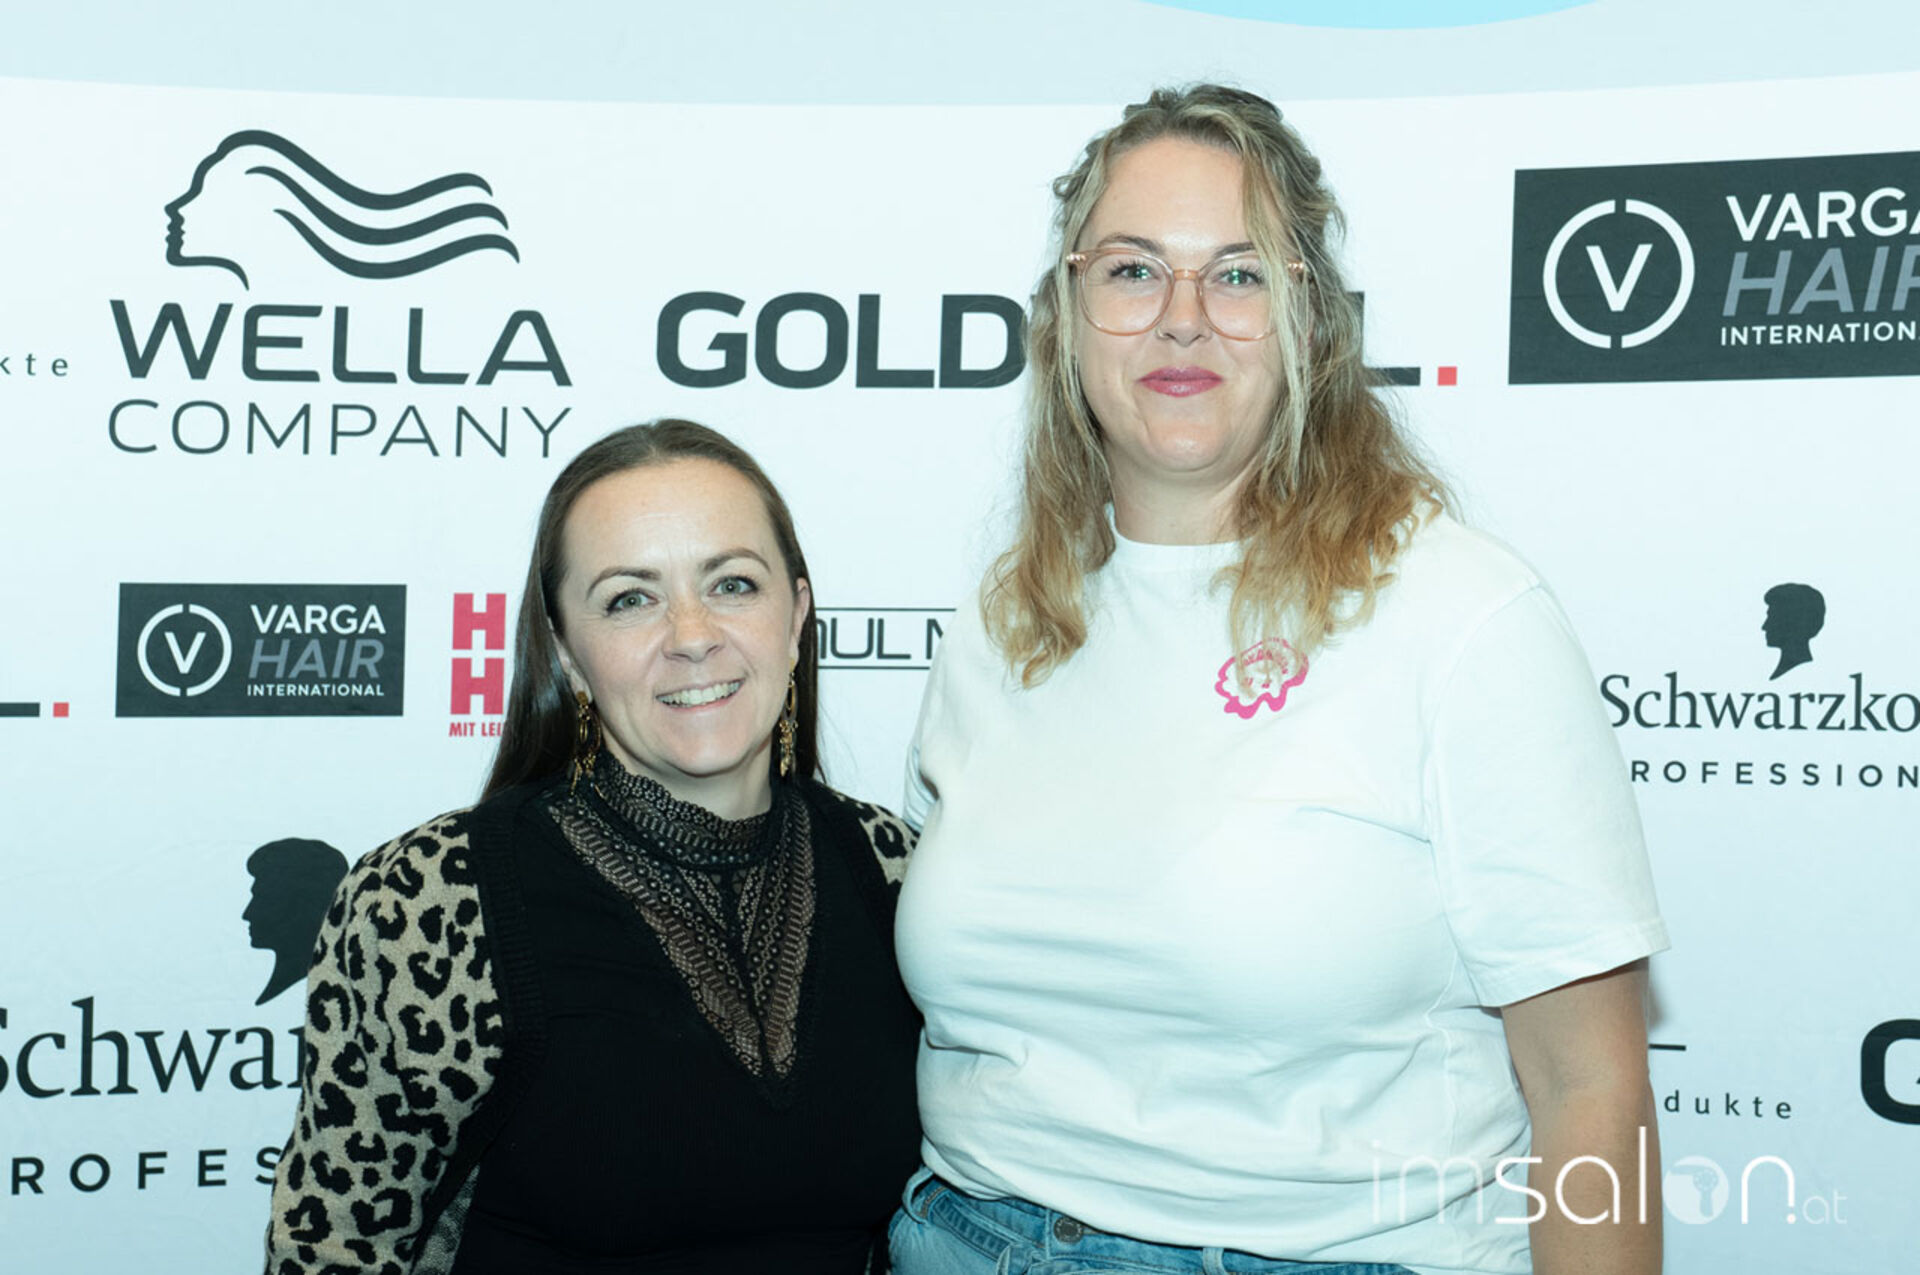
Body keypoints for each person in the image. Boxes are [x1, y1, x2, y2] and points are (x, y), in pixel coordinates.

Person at [891, 86, 1668, 1275]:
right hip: (968, 1236)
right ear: (1066, 318)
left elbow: (1589, 1087)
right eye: (1132, 271)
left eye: (1239, 275)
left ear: (1311, 320)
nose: (1183, 320)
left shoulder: (1461, 618)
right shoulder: (1004, 623)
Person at [265, 420, 922, 1274]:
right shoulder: (429, 900)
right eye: (629, 599)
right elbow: (336, 1248)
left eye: (732, 583)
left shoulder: (900, 873)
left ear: (795, 615)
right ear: (568, 652)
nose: (692, 633)